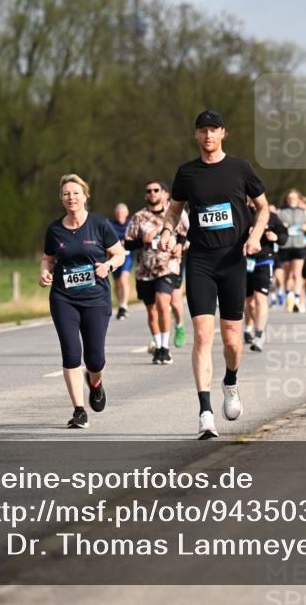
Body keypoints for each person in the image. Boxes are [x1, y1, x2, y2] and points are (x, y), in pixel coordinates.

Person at [159, 110, 269, 440]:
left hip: (233, 260)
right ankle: (205, 411)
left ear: (223, 133)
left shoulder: (240, 168)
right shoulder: (187, 172)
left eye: (213, 130)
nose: (208, 136)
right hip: (202, 261)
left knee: (233, 340)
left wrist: (255, 236)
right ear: (196, 135)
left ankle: (231, 381)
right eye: (202, 130)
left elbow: (263, 207)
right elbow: (175, 209)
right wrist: (167, 229)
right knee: (204, 335)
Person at [40, 174, 126, 428]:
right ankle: (79, 410)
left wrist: (108, 266)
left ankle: (96, 382)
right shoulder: (54, 229)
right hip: (63, 297)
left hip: (96, 298)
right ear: (61, 199)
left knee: (95, 359)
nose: (71, 198)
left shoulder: (99, 225)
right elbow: (48, 258)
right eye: (66, 193)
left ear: (85, 196)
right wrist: (44, 272)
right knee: (71, 353)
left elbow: (120, 254)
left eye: (76, 193)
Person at [124, 181, 187, 365]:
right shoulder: (139, 217)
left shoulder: (173, 213)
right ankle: (158, 348)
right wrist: (142, 240)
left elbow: (185, 234)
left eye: (156, 190)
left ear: (163, 194)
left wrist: (179, 246)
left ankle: (166, 348)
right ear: (145, 196)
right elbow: (127, 243)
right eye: (149, 191)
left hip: (168, 267)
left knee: (162, 303)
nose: (152, 193)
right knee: (152, 312)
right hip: (145, 270)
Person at [244, 196, 288, 352]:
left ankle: (259, 334)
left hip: (264, 260)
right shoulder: (241, 213)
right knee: (249, 301)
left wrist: (275, 237)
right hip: (245, 262)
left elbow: (283, 235)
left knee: (260, 298)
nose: (251, 200)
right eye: (248, 197)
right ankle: (251, 325)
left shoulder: (271, 216)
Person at [278, 189, 306, 313]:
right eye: (290, 199)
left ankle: (297, 299)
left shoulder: (303, 211)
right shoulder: (281, 211)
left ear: (298, 199)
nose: (292, 201)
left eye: (294, 198)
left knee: (297, 274)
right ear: (286, 199)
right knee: (288, 275)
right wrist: (282, 225)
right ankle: (289, 295)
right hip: (286, 245)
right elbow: (275, 224)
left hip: (299, 245)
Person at [109, 203, 133, 320]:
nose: (120, 215)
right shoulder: (110, 225)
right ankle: (120, 305)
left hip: (127, 256)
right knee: (117, 283)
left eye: (122, 213)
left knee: (124, 279)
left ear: (127, 213)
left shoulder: (131, 224)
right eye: (118, 213)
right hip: (113, 257)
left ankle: (124, 305)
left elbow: (135, 238)